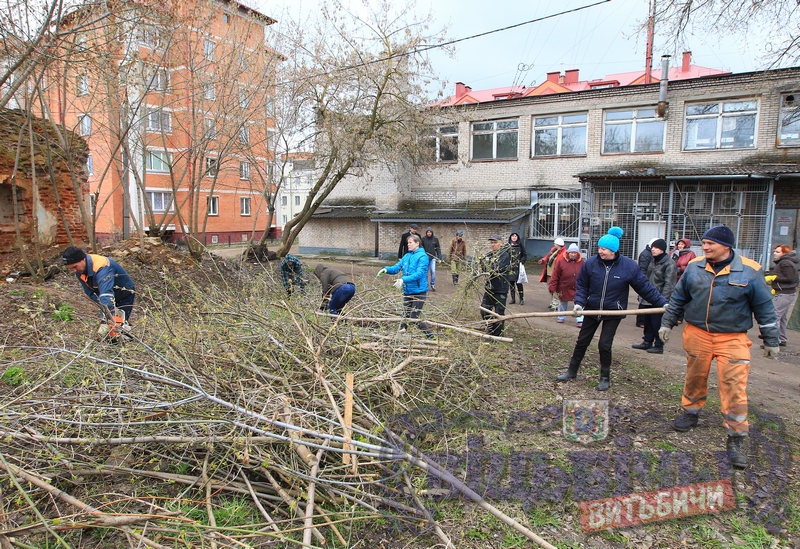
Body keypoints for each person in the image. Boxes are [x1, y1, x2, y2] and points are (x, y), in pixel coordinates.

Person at [658, 225, 779, 469]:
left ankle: (736, 437)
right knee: (695, 376)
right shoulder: (695, 267)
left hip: (732, 337)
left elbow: (765, 307)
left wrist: (771, 339)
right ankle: (690, 412)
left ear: (726, 245)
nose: (705, 247)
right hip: (697, 333)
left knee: (734, 385)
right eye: (703, 243)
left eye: (710, 243)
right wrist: (667, 323)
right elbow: (679, 298)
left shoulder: (750, 271)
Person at [556, 227, 666, 391]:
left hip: (613, 311)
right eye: (599, 248)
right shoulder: (591, 264)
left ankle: (604, 378)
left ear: (613, 250)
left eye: (604, 249)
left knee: (604, 345)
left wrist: (662, 303)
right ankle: (571, 371)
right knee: (582, 341)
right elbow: (582, 285)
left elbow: (645, 287)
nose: (600, 251)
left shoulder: (628, 266)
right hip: (592, 310)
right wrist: (579, 302)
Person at [61, 245, 135, 339]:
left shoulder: (102, 266)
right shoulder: (79, 270)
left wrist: (105, 319)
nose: (74, 270)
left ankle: (125, 343)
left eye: (75, 267)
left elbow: (106, 294)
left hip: (124, 292)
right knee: (110, 327)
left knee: (118, 326)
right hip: (106, 295)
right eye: (71, 268)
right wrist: (104, 308)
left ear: (83, 259)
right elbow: (91, 293)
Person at [379, 234, 435, 339]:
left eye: (410, 242)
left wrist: (403, 279)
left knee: (414, 318)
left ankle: (431, 336)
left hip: (419, 292)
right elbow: (396, 268)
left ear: (417, 243)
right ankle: (401, 336)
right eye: (407, 243)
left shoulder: (423, 257)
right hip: (407, 291)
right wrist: (386, 269)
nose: (408, 245)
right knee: (405, 315)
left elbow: (419, 274)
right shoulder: (407, 256)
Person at [631, 239, 676, 354]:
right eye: (652, 247)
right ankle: (647, 341)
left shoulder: (669, 264)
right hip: (648, 297)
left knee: (657, 323)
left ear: (662, 249)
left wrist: (662, 300)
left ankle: (659, 345)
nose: (653, 249)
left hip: (659, 299)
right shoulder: (653, 261)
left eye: (656, 248)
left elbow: (669, 284)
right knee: (647, 322)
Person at [480, 234, 512, 336]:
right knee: (484, 309)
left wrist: (489, 268)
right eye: (492, 243)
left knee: (499, 313)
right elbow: (484, 267)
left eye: (495, 243)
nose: (493, 245)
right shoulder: (490, 255)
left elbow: (499, 269)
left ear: (501, 243)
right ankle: (491, 328)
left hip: (500, 288)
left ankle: (498, 335)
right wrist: (482, 262)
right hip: (490, 288)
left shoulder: (504, 255)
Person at [769, 244, 799, 346]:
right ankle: (781, 338)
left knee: (774, 316)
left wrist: (774, 278)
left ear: (784, 253)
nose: (775, 253)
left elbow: (790, 278)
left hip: (784, 293)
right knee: (782, 317)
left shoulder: (785, 263)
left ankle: (773, 340)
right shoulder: (786, 262)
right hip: (786, 293)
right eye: (775, 251)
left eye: (777, 252)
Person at [549, 243, 584, 327]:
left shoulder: (582, 262)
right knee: (563, 301)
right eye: (571, 252)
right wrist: (552, 287)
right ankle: (561, 316)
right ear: (568, 253)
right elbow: (555, 275)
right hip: (564, 286)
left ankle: (580, 319)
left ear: (577, 253)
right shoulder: (561, 261)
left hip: (577, 286)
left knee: (579, 303)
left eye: (575, 253)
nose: (573, 254)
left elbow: (586, 275)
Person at [539, 237, 566, 310]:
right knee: (550, 288)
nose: (554, 245)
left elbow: (562, 265)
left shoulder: (563, 253)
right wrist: (543, 260)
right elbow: (548, 257)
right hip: (549, 273)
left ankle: (556, 304)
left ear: (559, 244)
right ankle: (552, 303)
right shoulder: (553, 250)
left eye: (555, 243)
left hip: (555, 274)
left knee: (555, 289)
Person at [636, 238, 658, 328]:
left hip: (649, 279)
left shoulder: (649, 254)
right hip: (646, 279)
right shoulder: (646, 254)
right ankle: (640, 320)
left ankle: (644, 320)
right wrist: (644, 281)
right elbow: (643, 268)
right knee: (643, 300)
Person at [507, 232, 527, 305]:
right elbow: (506, 255)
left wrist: (522, 261)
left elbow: (524, 255)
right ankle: (513, 299)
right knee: (511, 284)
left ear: (517, 237)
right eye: (513, 236)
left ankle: (521, 299)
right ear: (510, 237)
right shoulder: (508, 246)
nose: (514, 237)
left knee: (519, 284)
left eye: (515, 236)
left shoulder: (520, 245)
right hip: (510, 268)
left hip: (518, 267)